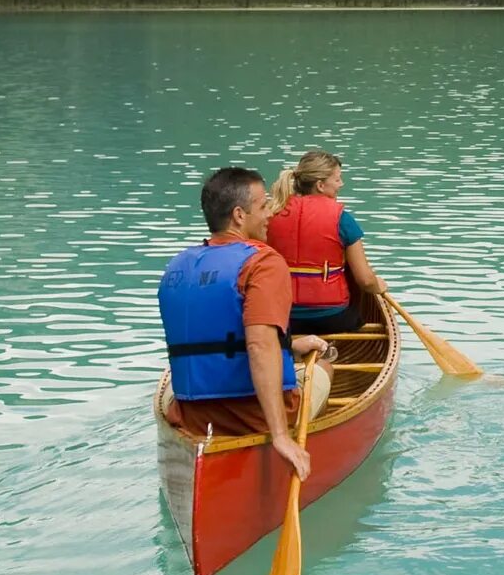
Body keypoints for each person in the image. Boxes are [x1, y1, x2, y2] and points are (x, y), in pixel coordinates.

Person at [159, 165, 337, 481]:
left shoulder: (177, 267)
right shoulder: (263, 263)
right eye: (263, 205)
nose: (270, 213)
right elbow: (258, 345)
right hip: (252, 416)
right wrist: (280, 435)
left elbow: (221, 338)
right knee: (324, 367)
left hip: (191, 414)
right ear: (240, 216)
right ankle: (294, 444)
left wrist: (291, 346)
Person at [265, 149, 386, 337]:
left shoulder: (269, 215)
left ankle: (297, 350)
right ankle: (326, 350)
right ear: (320, 185)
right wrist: (379, 286)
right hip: (333, 318)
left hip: (284, 318)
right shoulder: (342, 219)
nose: (341, 184)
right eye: (337, 179)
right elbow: (364, 280)